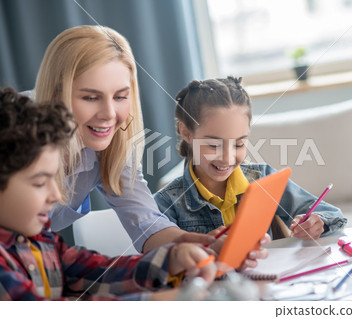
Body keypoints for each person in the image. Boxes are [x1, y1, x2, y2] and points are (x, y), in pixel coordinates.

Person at [34, 25, 267, 266]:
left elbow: (146, 223)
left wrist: (201, 244)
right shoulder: (16, 133)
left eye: (120, 96)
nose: (109, 114)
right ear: (55, 93)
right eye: (90, 98)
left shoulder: (111, 146)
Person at [0, 87, 216, 300]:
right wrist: (151, 304)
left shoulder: (39, 240)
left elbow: (90, 273)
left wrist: (169, 261)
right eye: (40, 183)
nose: (57, 195)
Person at [154, 77, 347, 241]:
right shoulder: (166, 202)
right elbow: (159, 265)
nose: (228, 157)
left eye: (239, 144)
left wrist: (317, 221)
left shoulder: (263, 178)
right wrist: (200, 247)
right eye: (214, 145)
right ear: (186, 132)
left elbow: (333, 214)